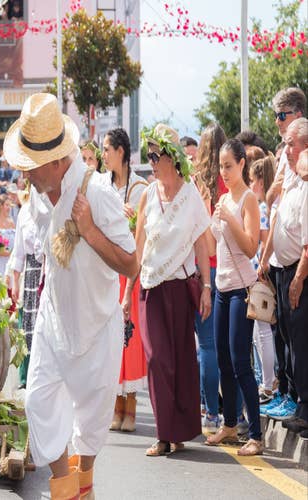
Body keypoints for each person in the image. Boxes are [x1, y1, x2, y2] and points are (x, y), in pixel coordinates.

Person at [4, 93, 137, 498]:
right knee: (39, 403)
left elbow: (131, 263)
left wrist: (91, 231)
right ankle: (64, 488)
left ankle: (82, 487)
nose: (24, 173)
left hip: (96, 326)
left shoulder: (96, 192)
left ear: (57, 161)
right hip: (53, 321)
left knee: (93, 422)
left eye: (31, 165)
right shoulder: (40, 196)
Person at [136, 124, 212, 457]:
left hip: (181, 288)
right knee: (157, 359)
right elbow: (138, 245)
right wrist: (127, 293)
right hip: (151, 286)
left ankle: (177, 433)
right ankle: (162, 434)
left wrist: (207, 287)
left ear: (172, 157)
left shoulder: (190, 195)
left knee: (180, 360)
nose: (151, 161)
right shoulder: (148, 195)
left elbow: (200, 242)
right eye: (148, 155)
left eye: (156, 155)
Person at [203, 139, 262, 456]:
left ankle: (255, 434)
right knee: (225, 361)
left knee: (241, 363)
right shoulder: (223, 200)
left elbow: (251, 247)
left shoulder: (247, 199)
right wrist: (207, 217)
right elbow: (212, 250)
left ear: (242, 164)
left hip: (242, 289)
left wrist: (230, 218)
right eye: (221, 166)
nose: (224, 171)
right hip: (222, 288)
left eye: (229, 165)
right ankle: (228, 425)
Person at [259, 117, 308, 435]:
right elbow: (275, 213)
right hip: (284, 269)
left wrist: (298, 279)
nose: (286, 150)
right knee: (291, 341)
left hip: (298, 272)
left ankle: (304, 407)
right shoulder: (291, 177)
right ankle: (298, 402)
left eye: (291, 144)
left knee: (301, 343)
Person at [101, 127, 148, 433]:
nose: (103, 155)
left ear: (120, 152)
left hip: (130, 269)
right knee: (110, 340)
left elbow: (145, 233)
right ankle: (115, 407)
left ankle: (130, 407)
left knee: (129, 339)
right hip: (106, 269)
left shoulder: (141, 189)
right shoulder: (101, 185)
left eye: (106, 149)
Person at [192, 122, 228, 432]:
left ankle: (208, 408)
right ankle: (224, 413)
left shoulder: (196, 184)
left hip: (199, 268)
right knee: (220, 346)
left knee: (204, 344)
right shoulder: (228, 182)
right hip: (225, 268)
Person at [249, 155, 277, 405]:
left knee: (263, 331)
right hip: (262, 271)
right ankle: (267, 381)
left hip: (260, 272)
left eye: (252, 180)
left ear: (259, 181)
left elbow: (266, 237)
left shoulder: (262, 208)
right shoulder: (265, 205)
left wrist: (261, 265)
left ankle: (268, 384)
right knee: (261, 333)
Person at [8, 188, 42, 389]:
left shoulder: (52, 208)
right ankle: (27, 378)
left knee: (43, 327)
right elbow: (19, 250)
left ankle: (41, 378)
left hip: (47, 270)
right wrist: (15, 280)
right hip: (30, 272)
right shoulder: (25, 212)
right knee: (28, 326)